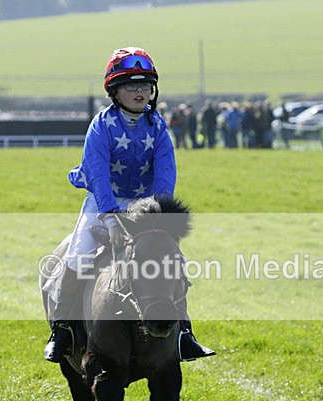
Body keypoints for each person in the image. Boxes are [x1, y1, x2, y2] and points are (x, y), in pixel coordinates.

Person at [44, 46, 215, 363]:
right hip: (102, 201)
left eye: (146, 84)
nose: (140, 91)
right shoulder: (101, 127)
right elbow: (97, 174)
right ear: (114, 90)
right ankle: (62, 330)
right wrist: (110, 220)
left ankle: (184, 334)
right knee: (78, 257)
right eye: (131, 85)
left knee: (168, 261)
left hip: (143, 206)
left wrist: (156, 217)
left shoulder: (159, 127)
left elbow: (166, 176)